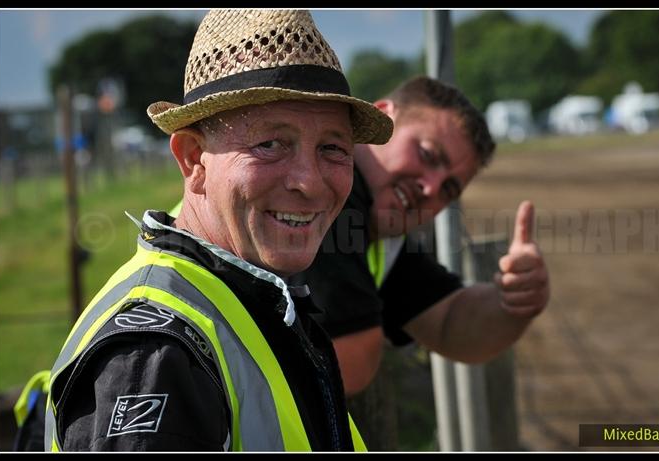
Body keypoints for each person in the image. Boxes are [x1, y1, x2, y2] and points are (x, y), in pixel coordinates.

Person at [35, 9, 393, 451]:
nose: (310, 181)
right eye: (270, 144)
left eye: (333, 149)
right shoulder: (154, 356)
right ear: (193, 159)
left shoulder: (252, 300)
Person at [294, 76, 550, 395]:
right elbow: (351, 359)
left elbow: (450, 323)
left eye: (448, 189)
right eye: (428, 155)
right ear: (383, 117)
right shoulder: (327, 196)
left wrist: (515, 300)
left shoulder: (381, 236)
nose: (430, 188)